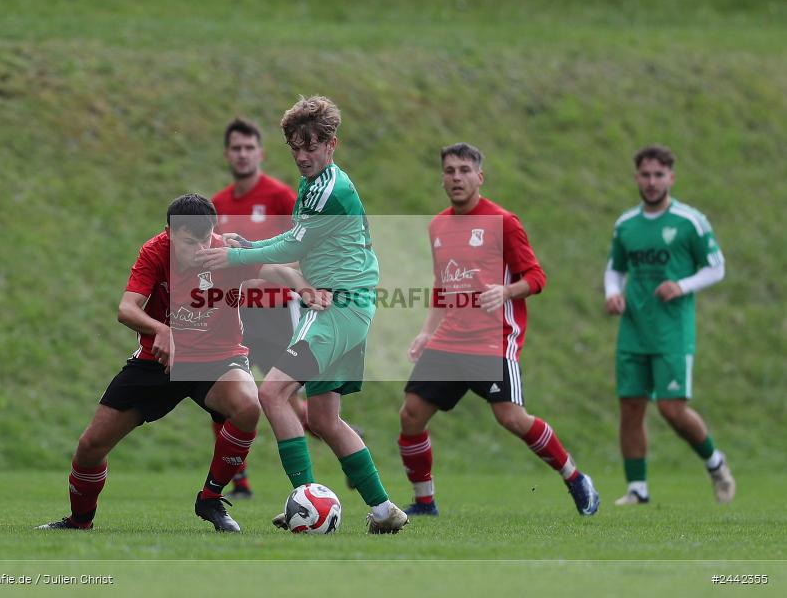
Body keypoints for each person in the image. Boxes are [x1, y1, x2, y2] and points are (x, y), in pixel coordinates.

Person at [36, 194, 327, 533]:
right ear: (169, 232)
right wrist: (161, 330)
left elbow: (275, 270)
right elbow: (126, 309)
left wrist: (305, 289)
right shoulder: (154, 251)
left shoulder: (223, 251)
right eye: (190, 242)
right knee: (90, 446)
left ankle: (210, 499)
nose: (200, 249)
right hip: (158, 363)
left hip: (219, 359)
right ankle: (79, 522)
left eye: (205, 238)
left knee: (248, 406)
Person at [197, 95, 408, 534]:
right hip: (348, 306)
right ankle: (384, 511)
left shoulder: (330, 188)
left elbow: (292, 245)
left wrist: (237, 254)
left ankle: (307, 500)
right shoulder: (315, 184)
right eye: (295, 147)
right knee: (325, 419)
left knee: (272, 394)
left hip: (335, 305)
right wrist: (249, 250)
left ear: (332, 144)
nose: (302, 156)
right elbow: (297, 248)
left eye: (311, 146)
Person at [397, 142, 600, 517]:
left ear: (480, 177)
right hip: (449, 340)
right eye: (449, 171)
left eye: (464, 170)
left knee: (511, 418)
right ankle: (425, 502)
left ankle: (575, 478)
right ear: (442, 178)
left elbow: (536, 277)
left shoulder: (503, 221)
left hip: (492, 340)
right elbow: (442, 286)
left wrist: (505, 291)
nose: (456, 177)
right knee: (411, 414)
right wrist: (426, 332)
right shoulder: (438, 225)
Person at [605, 144, 734, 505]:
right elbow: (615, 268)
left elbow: (716, 267)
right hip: (634, 328)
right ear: (636, 178)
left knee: (671, 408)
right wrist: (613, 293)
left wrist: (682, 285)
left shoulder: (690, 221)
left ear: (671, 178)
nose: (651, 182)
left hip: (672, 331)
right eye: (645, 175)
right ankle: (637, 489)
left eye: (658, 175)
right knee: (631, 407)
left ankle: (715, 463)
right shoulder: (626, 225)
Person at [210, 117, 303, 499]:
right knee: (222, 394)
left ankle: (339, 438)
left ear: (261, 153)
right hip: (233, 314)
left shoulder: (280, 196)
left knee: (287, 400)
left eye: (249, 148)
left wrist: (262, 281)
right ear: (227, 154)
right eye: (236, 148)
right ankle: (238, 481)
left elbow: (302, 253)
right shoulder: (217, 204)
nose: (243, 154)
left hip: (277, 312)